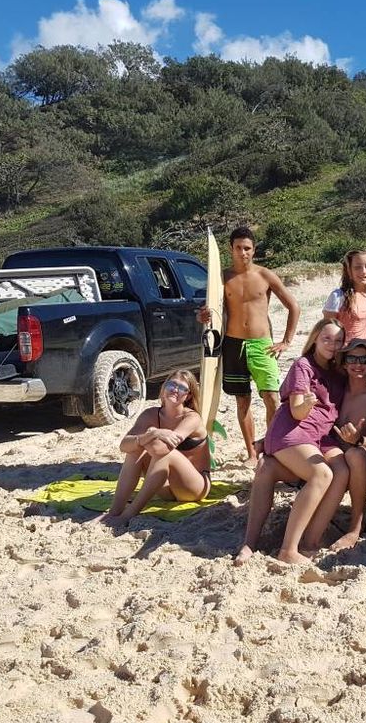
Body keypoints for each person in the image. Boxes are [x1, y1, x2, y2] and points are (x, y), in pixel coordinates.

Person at [235, 319, 346, 565]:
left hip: (316, 438)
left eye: (338, 341)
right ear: (315, 338)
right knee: (322, 475)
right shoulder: (303, 365)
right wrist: (305, 405)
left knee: (270, 468)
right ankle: (287, 549)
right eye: (327, 338)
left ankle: (303, 540)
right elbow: (296, 411)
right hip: (292, 432)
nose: (332, 345)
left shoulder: (338, 372)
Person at [198, 226, 300, 467]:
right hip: (232, 345)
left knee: (272, 399)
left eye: (247, 248)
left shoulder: (265, 275)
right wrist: (201, 317)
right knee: (242, 400)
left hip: (262, 345)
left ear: (254, 250)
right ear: (230, 249)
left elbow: (293, 306)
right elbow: (209, 310)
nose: (243, 253)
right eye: (238, 248)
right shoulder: (222, 278)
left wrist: (286, 342)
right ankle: (252, 453)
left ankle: (275, 449)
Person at [304, 339, 366, 550]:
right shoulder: (335, 390)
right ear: (343, 363)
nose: (358, 364)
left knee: (356, 454)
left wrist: (358, 440)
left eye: (364, 360)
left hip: (357, 457)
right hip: (325, 451)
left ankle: (355, 527)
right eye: (352, 358)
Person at [103, 370, 210, 527]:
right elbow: (124, 445)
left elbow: (161, 451)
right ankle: (114, 511)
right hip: (165, 487)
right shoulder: (151, 414)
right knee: (135, 450)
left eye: (182, 388)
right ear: (163, 388)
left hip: (194, 487)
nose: (175, 389)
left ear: (188, 396)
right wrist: (153, 433)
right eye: (172, 384)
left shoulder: (191, 418)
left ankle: (128, 514)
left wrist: (143, 439)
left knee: (163, 453)